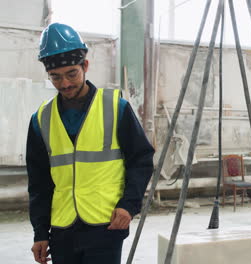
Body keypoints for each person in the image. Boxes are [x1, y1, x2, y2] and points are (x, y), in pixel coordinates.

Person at [27, 22, 155, 264]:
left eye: (71, 73)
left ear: (85, 65)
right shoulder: (41, 119)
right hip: (62, 228)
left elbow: (142, 159)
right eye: (55, 77)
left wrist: (128, 205)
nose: (64, 84)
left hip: (105, 225)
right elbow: (39, 183)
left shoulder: (116, 108)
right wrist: (40, 233)